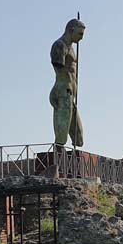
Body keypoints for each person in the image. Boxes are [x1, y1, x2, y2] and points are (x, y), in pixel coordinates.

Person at [49, 18, 85, 147]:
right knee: (61, 138)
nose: (81, 38)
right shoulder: (60, 45)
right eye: (80, 34)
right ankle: (57, 160)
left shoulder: (71, 49)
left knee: (79, 139)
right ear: (71, 30)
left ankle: (70, 162)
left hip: (70, 96)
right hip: (63, 92)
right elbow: (60, 70)